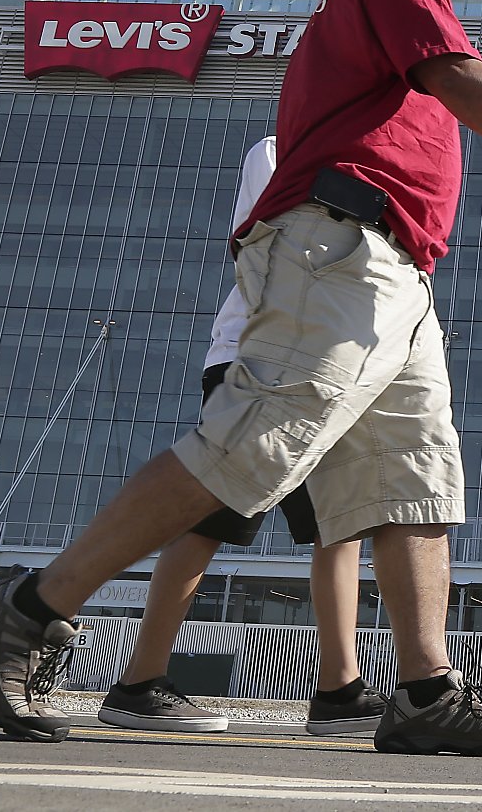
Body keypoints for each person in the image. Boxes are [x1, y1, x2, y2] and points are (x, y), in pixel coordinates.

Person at [0, 0, 482, 753]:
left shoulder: (376, 9)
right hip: (342, 244)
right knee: (249, 448)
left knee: (414, 481)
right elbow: (457, 74)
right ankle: (31, 608)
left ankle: (425, 693)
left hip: (401, 274)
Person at [97, 137, 384, 736]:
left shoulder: (366, 152)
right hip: (261, 353)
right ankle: (137, 683)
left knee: (341, 521)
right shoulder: (281, 148)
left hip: (338, 360)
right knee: (210, 514)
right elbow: (283, 243)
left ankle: (339, 690)